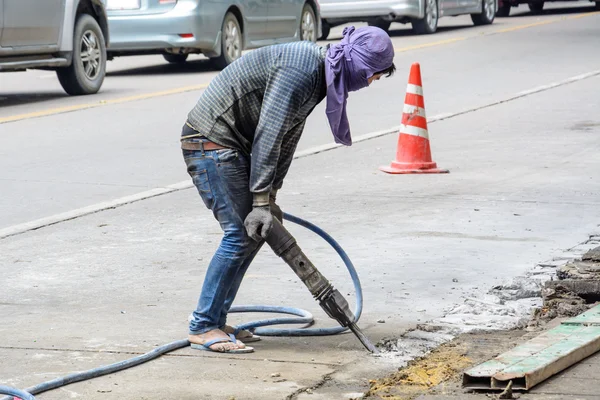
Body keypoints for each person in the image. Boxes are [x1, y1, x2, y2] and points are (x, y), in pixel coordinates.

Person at [181, 26, 395, 353]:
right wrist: (260, 200)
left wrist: (269, 199)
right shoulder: (303, 68)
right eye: (372, 77)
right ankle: (203, 325)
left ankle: (216, 319)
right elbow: (269, 133)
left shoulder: (317, 76)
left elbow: (286, 138)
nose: (368, 84)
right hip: (211, 143)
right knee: (239, 235)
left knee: (254, 232)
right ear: (360, 66)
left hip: (229, 146)